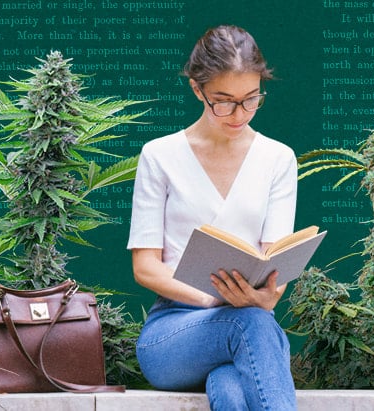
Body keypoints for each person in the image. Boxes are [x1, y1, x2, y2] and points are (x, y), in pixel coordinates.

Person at [127, 25, 298, 410]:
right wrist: (214, 299)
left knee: (230, 387)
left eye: (251, 99)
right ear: (196, 89)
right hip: (173, 332)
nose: (239, 113)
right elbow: (145, 267)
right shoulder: (160, 156)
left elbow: (276, 265)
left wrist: (266, 295)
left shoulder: (278, 159)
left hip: (251, 329)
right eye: (223, 101)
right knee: (250, 323)